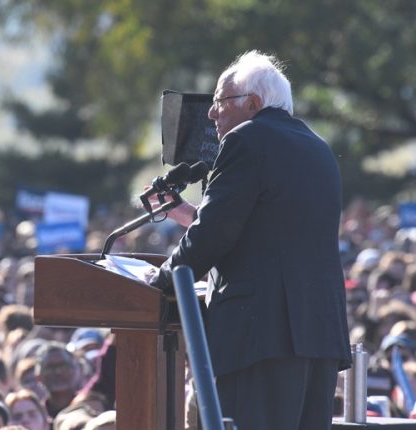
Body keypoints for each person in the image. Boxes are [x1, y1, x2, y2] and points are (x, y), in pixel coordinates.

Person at [148, 50, 351, 429]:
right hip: (317, 337)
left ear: (253, 103)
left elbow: (214, 235)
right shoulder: (318, 147)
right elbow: (267, 231)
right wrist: (190, 217)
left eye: (219, 103)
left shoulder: (247, 139)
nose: (212, 115)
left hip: (261, 338)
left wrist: (158, 281)